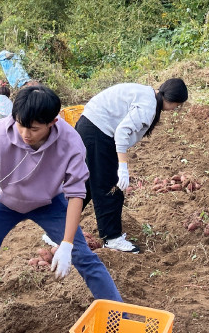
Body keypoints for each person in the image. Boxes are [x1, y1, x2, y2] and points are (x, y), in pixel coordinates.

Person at [0, 85, 122, 301]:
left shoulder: (71, 142)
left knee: (83, 257)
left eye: (34, 129)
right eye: (21, 126)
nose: (26, 134)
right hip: (3, 201)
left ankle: (119, 317)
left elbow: (76, 194)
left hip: (49, 203)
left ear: (52, 122)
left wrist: (67, 244)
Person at [76, 78, 189, 254]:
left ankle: (59, 226)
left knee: (89, 184)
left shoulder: (149, 95)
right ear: (175, 102)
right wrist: (123, 167)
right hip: (98, 131)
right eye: (178, 106)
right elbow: (121, 133)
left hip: (90, 126)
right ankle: (112, 238)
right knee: (111, 188)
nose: (175, 109)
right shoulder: (148, 107)